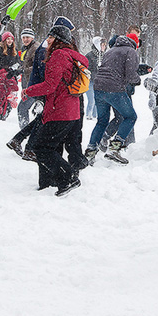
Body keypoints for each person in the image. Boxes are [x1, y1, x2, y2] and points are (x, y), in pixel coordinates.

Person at [21, 24, 89, 196]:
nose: (48, 41)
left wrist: (29, 91)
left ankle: (68, 178)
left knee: (41, 148)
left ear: (59, 40)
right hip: (70, 109)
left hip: (60, 109)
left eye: (51, 37)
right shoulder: (71, 55)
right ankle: (54, 180)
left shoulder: (58, 55)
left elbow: (50, 85)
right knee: (54, 146)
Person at [6, 16, 75, 155]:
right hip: (42, 88)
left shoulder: (44, 44)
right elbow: (44, 69)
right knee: (42, 118)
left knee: (40, 117)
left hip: (38, 86)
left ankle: (20, 141)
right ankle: (29, 147)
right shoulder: (47, 46)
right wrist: (39, 89)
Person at [85, 31, 140, 164]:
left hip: (98, 87)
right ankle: (114, 148)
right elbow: (131, 74)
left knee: (102, 121)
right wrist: (137, 80)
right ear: (135, 45)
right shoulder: (131, 51)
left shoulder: (111, 50)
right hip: (114, 88)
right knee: (130, 116)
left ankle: (90, 152)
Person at [0, 31, 20, 121]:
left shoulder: (14, 51)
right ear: (4, 40)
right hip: (1, 76)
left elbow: (18, 62)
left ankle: (5, 113)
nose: (10, 41)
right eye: (8, 39)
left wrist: (15, 69)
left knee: (8, 96)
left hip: (11, 76)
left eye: (11, 39)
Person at [16, 28, 38, 127]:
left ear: (32, 38)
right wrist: (16, 71)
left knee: (22, 107)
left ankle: (24, 131)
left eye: (27, 37)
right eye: (23, 37)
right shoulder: (27, 48)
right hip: (28, 83)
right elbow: (26, 65)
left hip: (35, 84)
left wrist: (23, 71)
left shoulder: (35, 48)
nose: (25, 39)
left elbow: (37, 67)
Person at [84, 36, 106, 120]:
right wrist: (94, 72)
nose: (104, 47)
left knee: (98, 99)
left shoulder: (103, 55)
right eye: (102, 45)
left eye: (104, 45)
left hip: (99, 81)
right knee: (91, 99)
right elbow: (86, 68)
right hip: (90, 81)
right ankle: (88, 114)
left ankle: (95, 115)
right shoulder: (90, 55)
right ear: (97, 45)